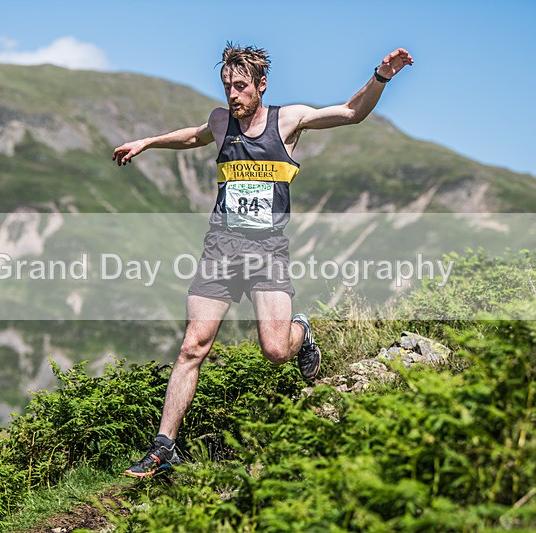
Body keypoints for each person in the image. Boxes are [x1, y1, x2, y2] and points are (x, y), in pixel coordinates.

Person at [113, 43, 413, 477]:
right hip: (220, 247)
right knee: (193, 346)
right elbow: (193, 136)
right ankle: (164, 448)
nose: (233, 95)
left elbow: (351, 112)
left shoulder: (287, 121)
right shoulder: (221, 122)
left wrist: (381, 76)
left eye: (240, 87)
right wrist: (147, 142)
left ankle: (301, 330)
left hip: (267, 251)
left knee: (275, 350)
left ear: (260, 85)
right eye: (227, 87)